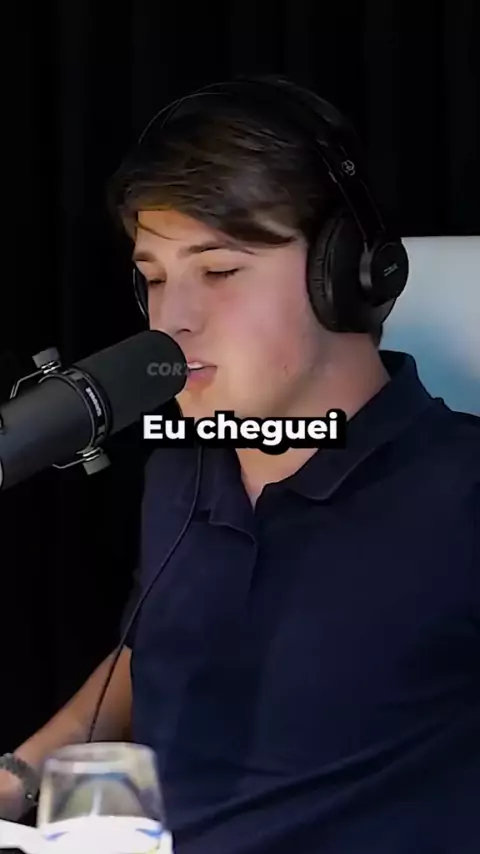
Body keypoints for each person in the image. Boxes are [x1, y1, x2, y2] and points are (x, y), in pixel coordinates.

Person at [1, 75, 479, 853]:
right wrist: (17, 777)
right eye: (155, 279)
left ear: (346, 275)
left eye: (218, 271)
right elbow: (151, 652)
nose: (172, 321)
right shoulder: (182, 471)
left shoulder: (463, 492)